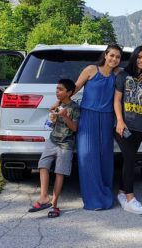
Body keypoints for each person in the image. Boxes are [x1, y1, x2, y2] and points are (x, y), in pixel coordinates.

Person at [75, 44, 123, 210]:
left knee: (105, 158)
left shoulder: (117, 74)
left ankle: (105, 195)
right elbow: (74, 88)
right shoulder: (91, 70)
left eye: (117, 57)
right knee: (88, 156)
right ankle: (93, 199)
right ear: (105, 55)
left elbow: (135, 73)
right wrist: (59, 101)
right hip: (88, 117)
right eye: (112, 55)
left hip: (107, 119)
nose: (114, 59)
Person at [114, 46, 142, 214]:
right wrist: (119, 120)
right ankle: (130, 198)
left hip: (139, 126)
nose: (141, 60)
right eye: (139, 57)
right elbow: (117, 100)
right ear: (134, 58)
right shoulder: (123, 76)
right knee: (130, 158)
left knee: (129, 159)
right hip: (123, 125)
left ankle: (121, 192)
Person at [28, 79, 80, 218]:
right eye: (57, 89)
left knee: (59, 172)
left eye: (61, 89)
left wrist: (65, 117)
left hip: (66, 144)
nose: (57, 92)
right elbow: (53, 121)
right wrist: (53, 118)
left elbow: (74, 128)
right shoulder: (58, 105)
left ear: (69, 92)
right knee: (43, 165)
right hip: (52, 140)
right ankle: (44, 196)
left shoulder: (74, 107)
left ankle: (54, 205)